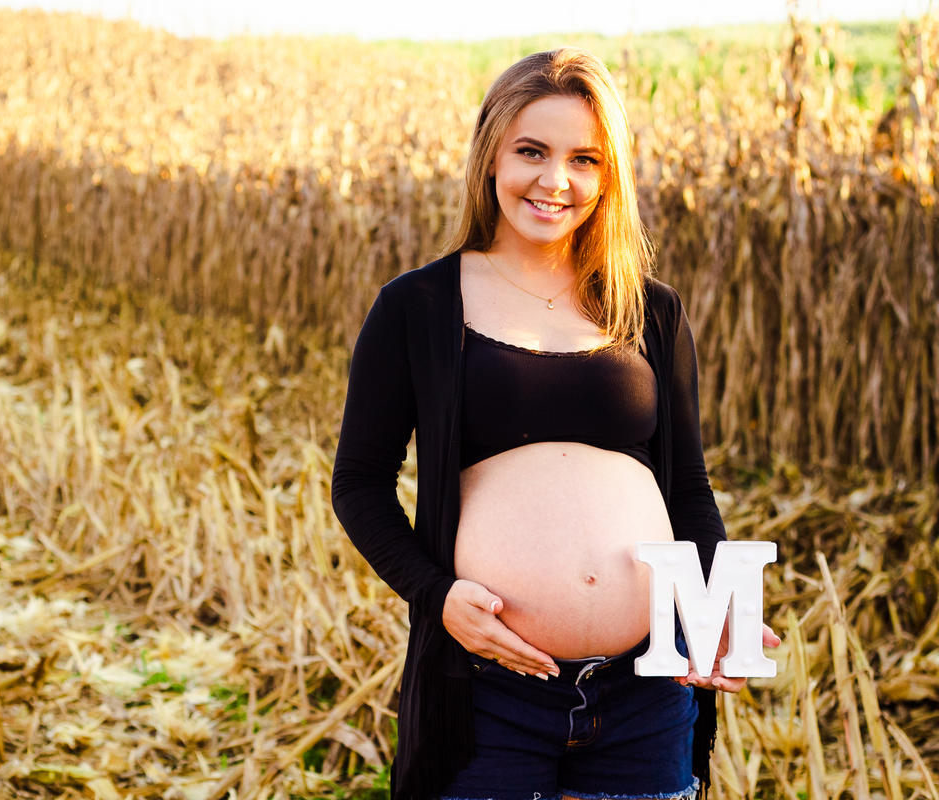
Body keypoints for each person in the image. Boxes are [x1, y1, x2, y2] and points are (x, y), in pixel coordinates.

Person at [331, 47, 778, 800]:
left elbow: (688, 487)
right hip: (488, 689)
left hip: (647, 688)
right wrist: (436, 595)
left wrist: (715, 602)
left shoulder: (650, 309)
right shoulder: (418, 307)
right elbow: (360, 483)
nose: (556, 181)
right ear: (490, 155)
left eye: (585, 159)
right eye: (531, 151)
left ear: (610, 177)